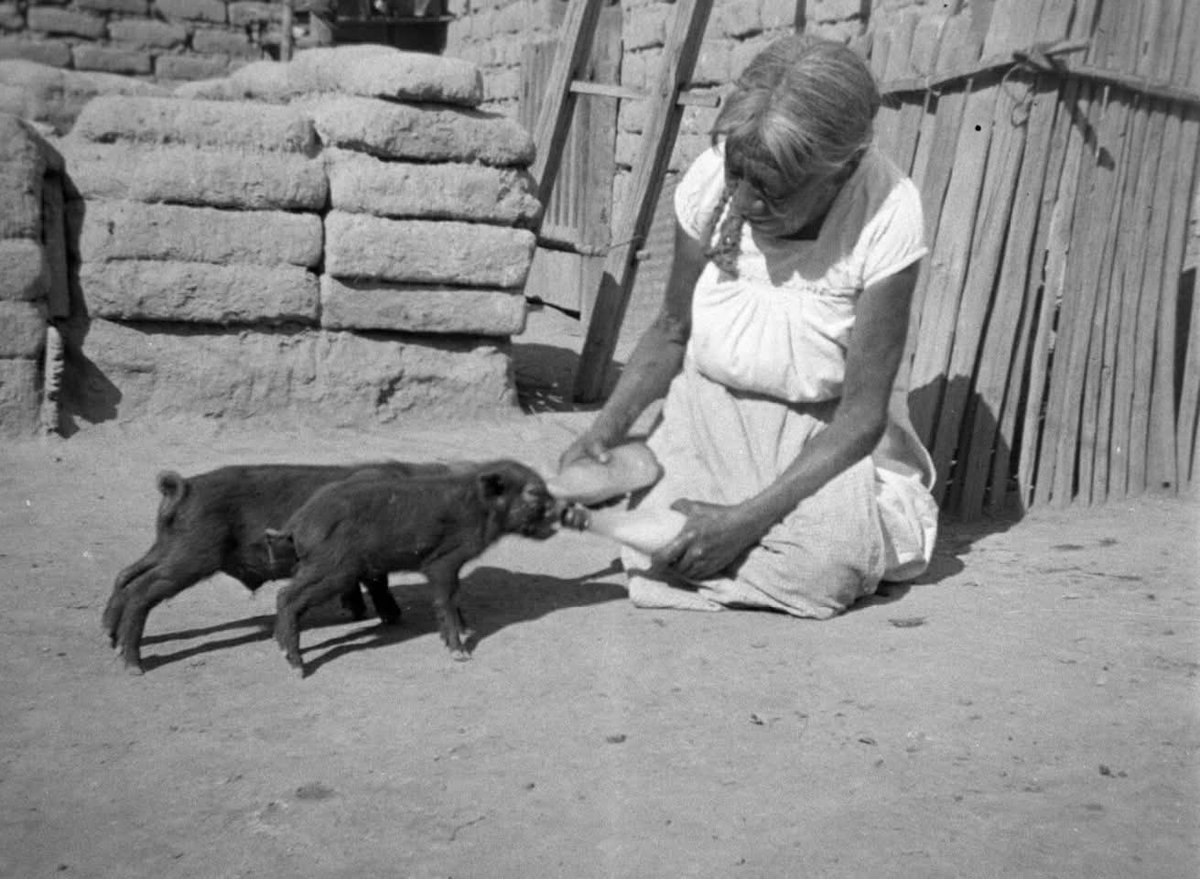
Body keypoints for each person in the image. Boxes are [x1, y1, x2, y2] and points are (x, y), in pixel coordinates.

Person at [557, 33, 939, 617]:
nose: (741, 200)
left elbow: (861, 417)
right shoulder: (712, 183)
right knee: (655, 532)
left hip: (819, 439)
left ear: (839, 172)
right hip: (705, 417)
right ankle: (732, 558)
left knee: (823, 567)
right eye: (737, 173)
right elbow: (670, 331)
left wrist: (741, 524)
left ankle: (738, 553)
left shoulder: (886, 213)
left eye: (772, 191)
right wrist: (603, 432)